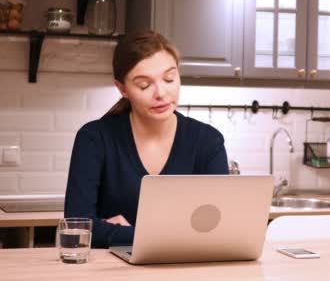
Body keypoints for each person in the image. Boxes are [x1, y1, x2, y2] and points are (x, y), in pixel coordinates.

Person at [64, 30, 229, 248]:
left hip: (185, 269)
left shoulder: (208, 141)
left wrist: (126, 232)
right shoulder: (94, 138)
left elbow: (218, 228)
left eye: (169, 79)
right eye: (144, 85)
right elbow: (77, 230)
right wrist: (176, 235)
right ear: (122, 88)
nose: (160, 93)